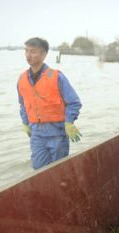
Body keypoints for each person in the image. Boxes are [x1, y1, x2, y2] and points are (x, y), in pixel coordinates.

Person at [17, 37, 82, 170]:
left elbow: (74, 102)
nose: (28, 55)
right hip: (36, 135)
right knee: (38, 173)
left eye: (33, 51)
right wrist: (25, 123)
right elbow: (23, 105)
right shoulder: (22, 79)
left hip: (57, 134)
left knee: (59, 173)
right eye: (26, 51)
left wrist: (69, 122)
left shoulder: (57, 76)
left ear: (44, 54)